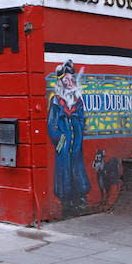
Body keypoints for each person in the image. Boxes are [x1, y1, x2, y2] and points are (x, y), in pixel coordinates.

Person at [47, 59, 91, 214]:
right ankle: (65, 200)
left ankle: (80, 196)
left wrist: (78, 132)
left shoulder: (78, 101)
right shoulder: (56, 101)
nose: (69, 82)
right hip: (63, 143)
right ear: (61, 82)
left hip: (76, 143)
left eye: (71, 79)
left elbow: (82, 119)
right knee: (64, 169)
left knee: (77, 167)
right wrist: (61, 141)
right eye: (66, 79)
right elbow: (52, 125)